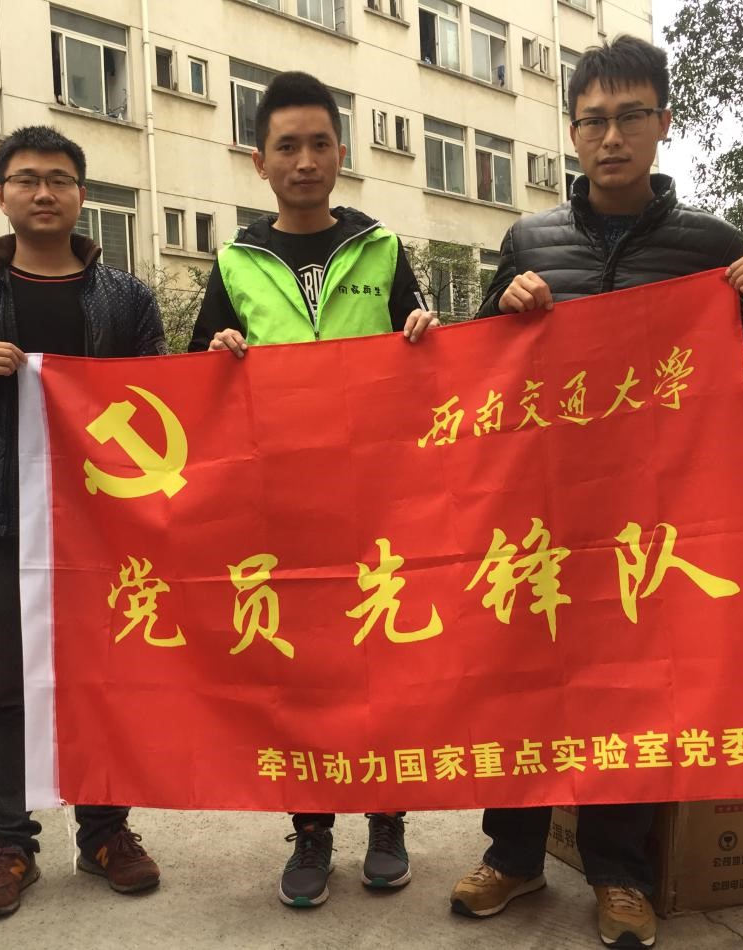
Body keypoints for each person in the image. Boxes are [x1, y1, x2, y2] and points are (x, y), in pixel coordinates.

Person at [447, 36, 743, 950]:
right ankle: (512, 856)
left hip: (651, 513)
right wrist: (502, 309)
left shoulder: (710, 247)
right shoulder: (528, 240)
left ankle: (619, 874)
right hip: (540, 507)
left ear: (663, 123)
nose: (611, 137)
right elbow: (482, 371)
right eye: (593, 121)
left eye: (629, 117)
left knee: (633, 686)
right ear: (571, 132)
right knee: (523, 678)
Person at [188, 71, 440, 909]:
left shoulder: (382, 248)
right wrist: (216, 349)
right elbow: (194, 380)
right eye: (287, 146)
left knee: (382, 664)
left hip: (378, 502)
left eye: (319, 144)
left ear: (340, 154)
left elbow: (427, 361)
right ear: (258, 161)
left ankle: (387, 818)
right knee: (300, 672)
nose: (304, 160)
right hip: (280, 507)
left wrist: (423, 331)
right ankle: (310, 829)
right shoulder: (234, 260)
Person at [0, 124, 168, 920]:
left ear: (81, 195)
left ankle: (105, 832)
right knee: (5, 689)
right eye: (26, 179)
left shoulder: (124, 297)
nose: (43, 192)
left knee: (101, 680)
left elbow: (166, 398)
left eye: (58, 179)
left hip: (102, 522)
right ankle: (9, 842)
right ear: (2, 195)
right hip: (1, 520)